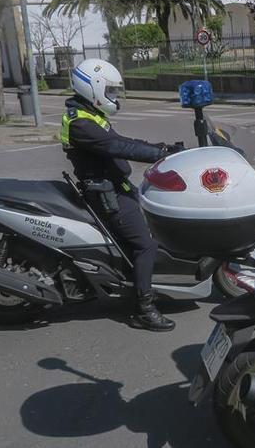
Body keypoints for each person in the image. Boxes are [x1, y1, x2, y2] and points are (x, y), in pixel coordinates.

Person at [60, 58, 183, 332]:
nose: (114, 96)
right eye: (110, 90)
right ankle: (144, 308)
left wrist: (162, 147)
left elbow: (124, 142)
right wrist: (158, 154)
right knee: (146, 245)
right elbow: (117, 147)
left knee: (144, 233)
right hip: (106, 193)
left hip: (115, 187)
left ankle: (134, 280)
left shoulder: (89, 114)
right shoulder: (81, 123)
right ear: (93, 87)